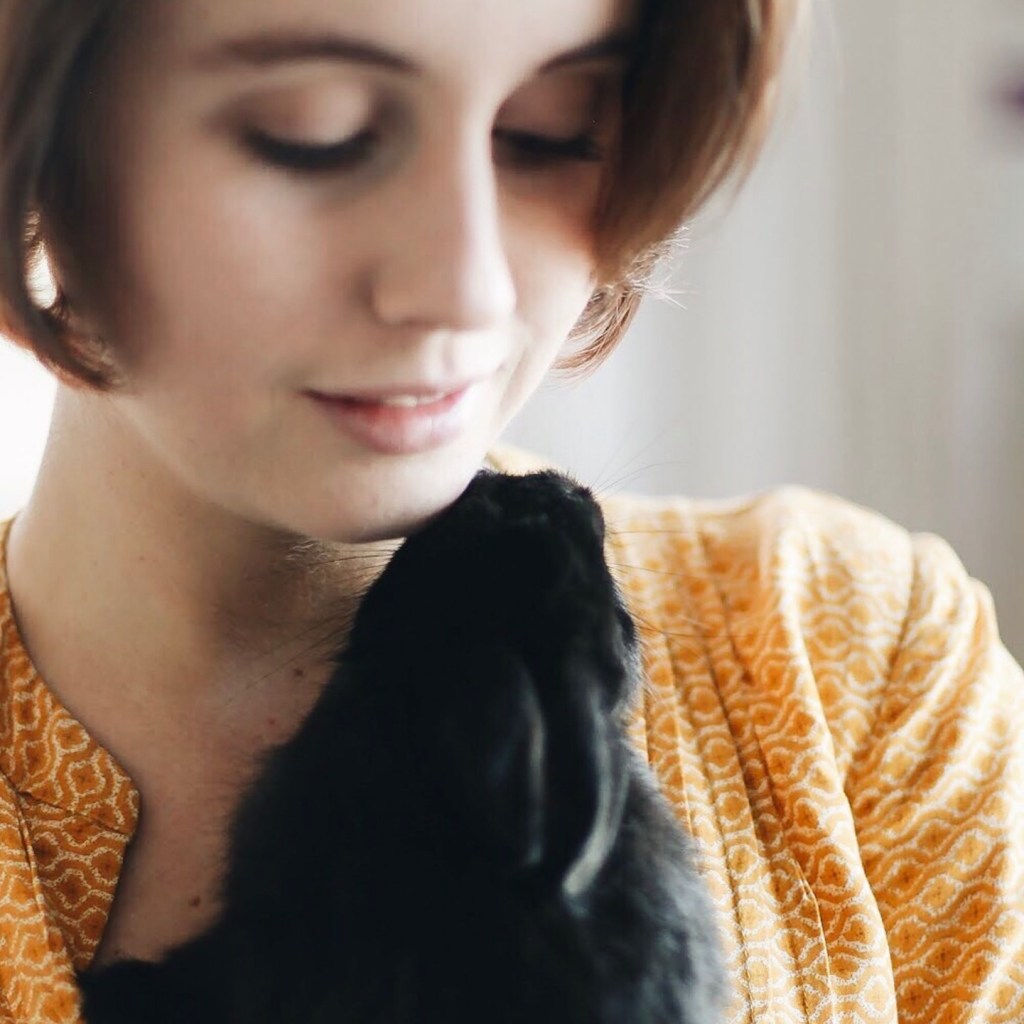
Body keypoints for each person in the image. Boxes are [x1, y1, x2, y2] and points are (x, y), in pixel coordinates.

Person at [0, 0, 1020, 1021]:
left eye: (552, 132)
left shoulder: (854, 661)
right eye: (317, 133)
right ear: (38, 129)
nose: (466, 287)